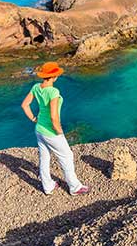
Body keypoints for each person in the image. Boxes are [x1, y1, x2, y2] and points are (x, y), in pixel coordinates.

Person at [21, 61, 89, 196]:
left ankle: (48, 186)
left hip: (39, 129)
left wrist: (34, 119)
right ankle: (74, 187)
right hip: (51, 132)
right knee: (67, 156)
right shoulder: (53, 92)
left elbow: (24, 105)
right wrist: (59, 132)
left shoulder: (36, 87)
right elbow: (53, 116)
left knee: (44, 157)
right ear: (53, 77)